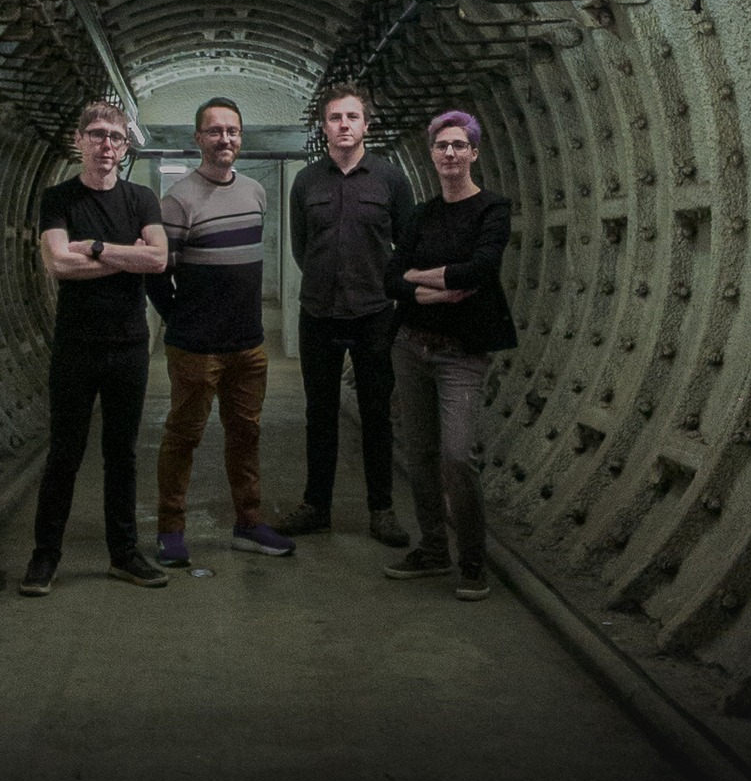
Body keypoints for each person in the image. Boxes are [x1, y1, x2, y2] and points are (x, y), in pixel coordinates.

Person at [21, 101, 173, 596]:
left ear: (126, 147)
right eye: (98, 135)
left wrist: (97, 248)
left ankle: (124, 554)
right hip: (76, 346)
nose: (107, 145)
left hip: (129, 344)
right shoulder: (58, 197)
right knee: (64, 453)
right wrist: (127, 256)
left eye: (117, 137)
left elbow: (158, 260)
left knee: (121, 455)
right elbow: (58, 265)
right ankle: (45, 556)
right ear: (79, 140)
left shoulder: (141, 198)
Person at [147, 99, 296, 564]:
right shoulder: (178, 199)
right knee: (182, 437)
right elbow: (157, 274)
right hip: (196, 348)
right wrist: (182, 321)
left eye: (232, 131)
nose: (225, 139)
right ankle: (171, 530)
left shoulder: (255, 192)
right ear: (198, 139)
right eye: (214, 131)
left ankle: (248, 524)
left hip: (248, 345)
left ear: (241, 137)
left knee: (246, 435)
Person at [382, 110, 517, 601]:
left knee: (458, 457)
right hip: (411, 345)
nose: (450, 154)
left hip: (462, 353)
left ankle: (472, 560)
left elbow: (480, 271)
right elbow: (391, 277)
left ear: (474, 152)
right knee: (419, 453)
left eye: (459, 145)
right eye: (442, 146)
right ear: (432, 154)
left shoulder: (493, 209)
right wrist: (431, 288)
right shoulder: (420, 214)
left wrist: (421, 275)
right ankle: (433, 548)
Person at [274, 85, 414, 546]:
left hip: (374, 312)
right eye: (335, 118)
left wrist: (382, 289)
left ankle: (382, 510)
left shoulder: (391, 180)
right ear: (324, 126)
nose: (344, 125)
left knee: (376, 414)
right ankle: (317, 505)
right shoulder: (307, 181)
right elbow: (301, 247)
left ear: (366, 125)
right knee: (320, 413)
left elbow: (407, 247)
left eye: (353, 117)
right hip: (319, 312)